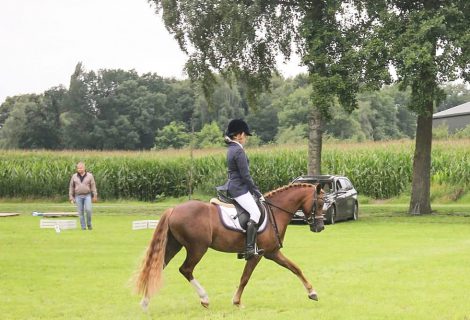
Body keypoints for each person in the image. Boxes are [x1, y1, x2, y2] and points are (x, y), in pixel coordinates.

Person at [224, 119, 264, 260]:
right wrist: (257, 192)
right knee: (255, 213)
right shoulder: (239, 151)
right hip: (239, 188)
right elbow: (246, 176)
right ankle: (248, 249)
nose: (245, 138)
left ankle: (245, 247)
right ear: (239, 135)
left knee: (249, 212)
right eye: (245, 135)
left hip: (233, 186)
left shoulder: (231, 148)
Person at [69, 162, 97, 230]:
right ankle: (83, 227)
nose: (80, 169)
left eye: (81, 168)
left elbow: (93, 186)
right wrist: (71, 197)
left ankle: (89, 224)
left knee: (88, 210)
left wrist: (95, 195)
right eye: (78, 168)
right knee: (80, 212)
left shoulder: (90, 176)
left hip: (87, 196)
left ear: (84, 168)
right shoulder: (74, 176)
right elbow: (71, 187)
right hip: (78, 196)